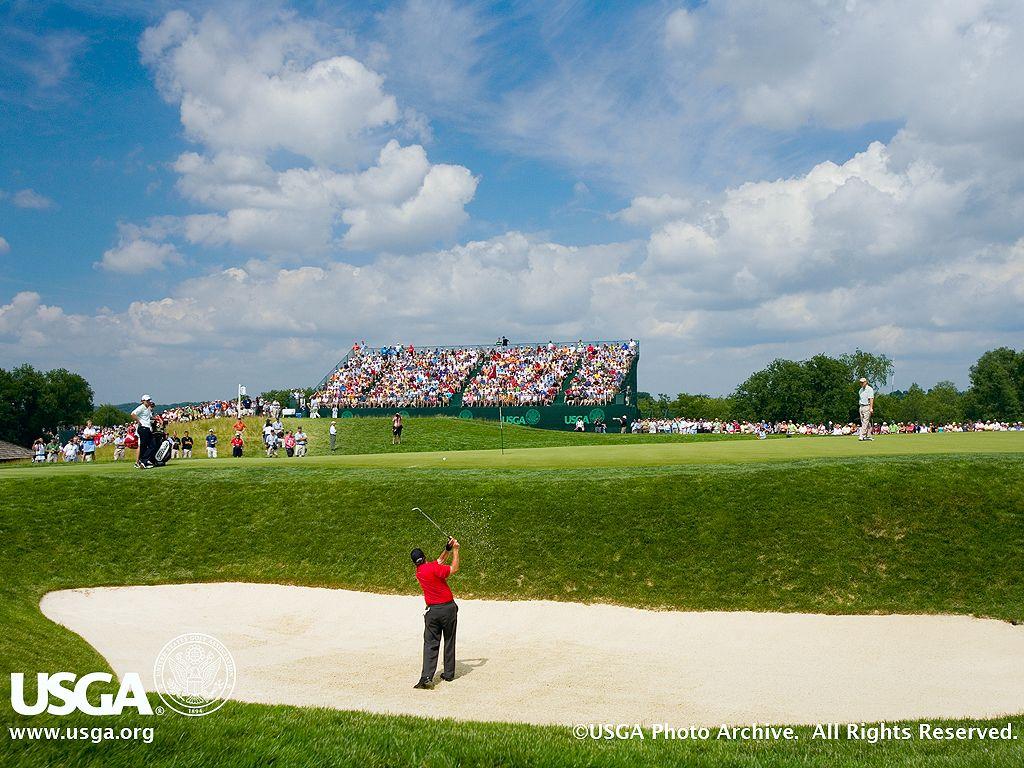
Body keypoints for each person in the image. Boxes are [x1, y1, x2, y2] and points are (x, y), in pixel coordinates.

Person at [411, 537, 460, 689]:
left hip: (433, 612)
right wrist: (456, 551)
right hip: (448, 609)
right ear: (425, 557)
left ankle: (426, 677)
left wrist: (447, 549)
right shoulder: (433, 568)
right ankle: (449, 674)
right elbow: (454, 569)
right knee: (449, 640)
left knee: (430, 643)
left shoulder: (419, 572)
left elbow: (439, 561)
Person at [131, 395, 156, 468]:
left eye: (149, 400)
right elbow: (133, 414)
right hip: (143, 428)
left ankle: (143, 461)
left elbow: (149, 417)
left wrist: (157, 419)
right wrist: (139, 421)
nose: (149, 402)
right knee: (144, 445)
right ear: (143, 401)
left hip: (147, 428)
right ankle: (143, 461)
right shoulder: (141, 407)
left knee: (152, 445)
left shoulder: (147, 408)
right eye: (147, 400)